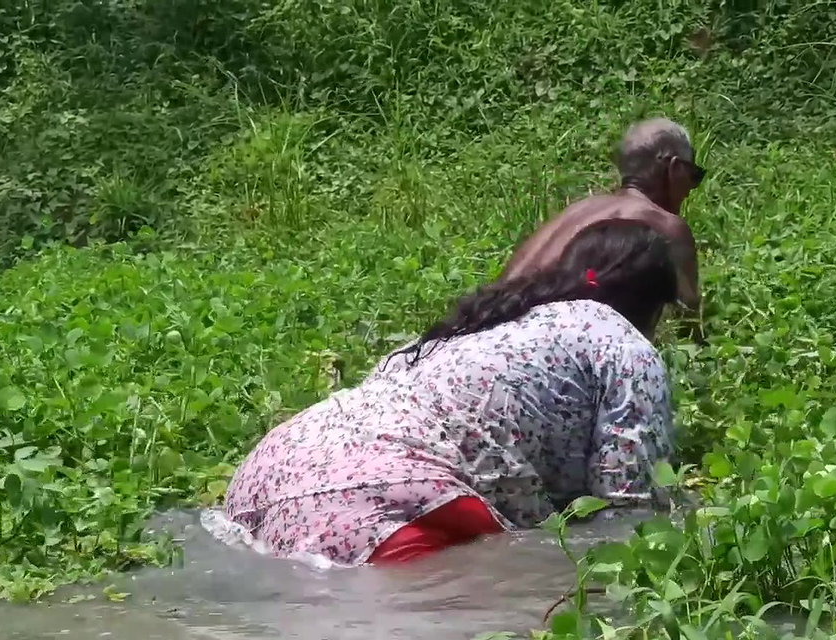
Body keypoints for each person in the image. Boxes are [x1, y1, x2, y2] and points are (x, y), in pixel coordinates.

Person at [202, 221, 680, 567]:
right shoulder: (621, 343)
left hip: (263, 477)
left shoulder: (485, 321)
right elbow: (627, 510)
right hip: (374, 505)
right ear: (652, 304)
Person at [500, 118, 706, 318]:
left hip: (485, 325)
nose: (691, 189)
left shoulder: (578, 209)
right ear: (675, 169)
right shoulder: (664, 224)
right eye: (694, 175)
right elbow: (687, 319)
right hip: (537, 340)